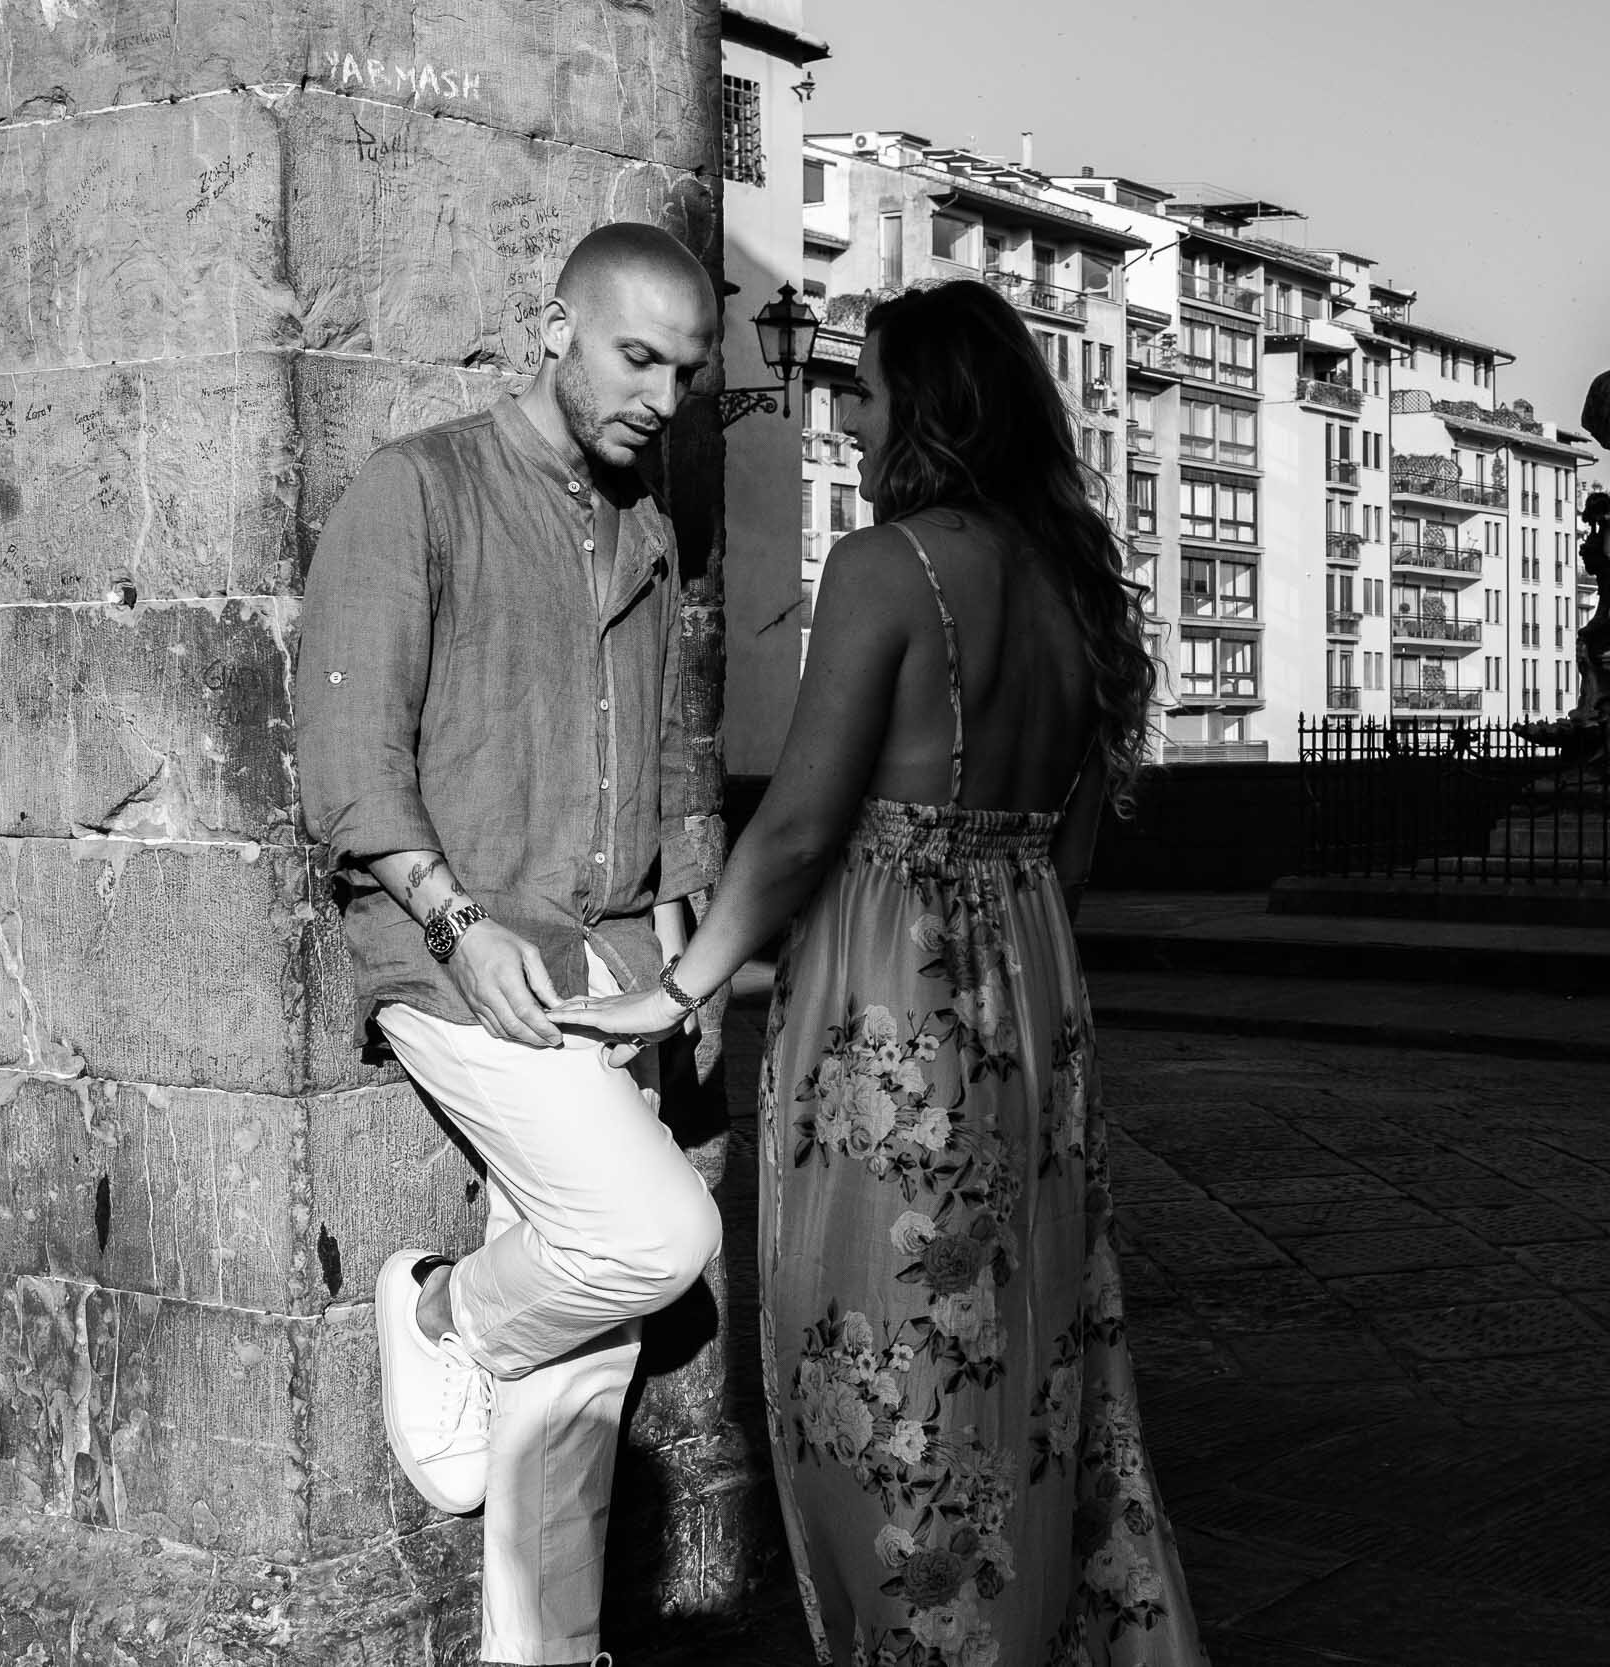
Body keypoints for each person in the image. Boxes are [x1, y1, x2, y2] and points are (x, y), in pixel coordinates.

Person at [555, 279, 1206, 1666]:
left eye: (866, 388)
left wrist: (679, 990)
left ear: (930, 404)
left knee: (879, 1352)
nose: (845, 411)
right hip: (1031, 986)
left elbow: (797, 822)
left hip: (891, 997)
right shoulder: (1074, 586)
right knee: (1031, 1352)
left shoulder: (890, 567)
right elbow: (1071, 857)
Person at [294, 222, 724, 1667]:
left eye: (686, 371)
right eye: (635, 356)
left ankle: (545, 1653)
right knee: (654, 1239)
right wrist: (458, 922)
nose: (662, 398)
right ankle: (437, 1314)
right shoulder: (416, 491)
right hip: (454, 957)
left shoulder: (652, 534)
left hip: (605, 967)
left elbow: (667, 755)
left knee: (586, 1365)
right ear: (552, 325)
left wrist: (680, 947)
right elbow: (348, 761)